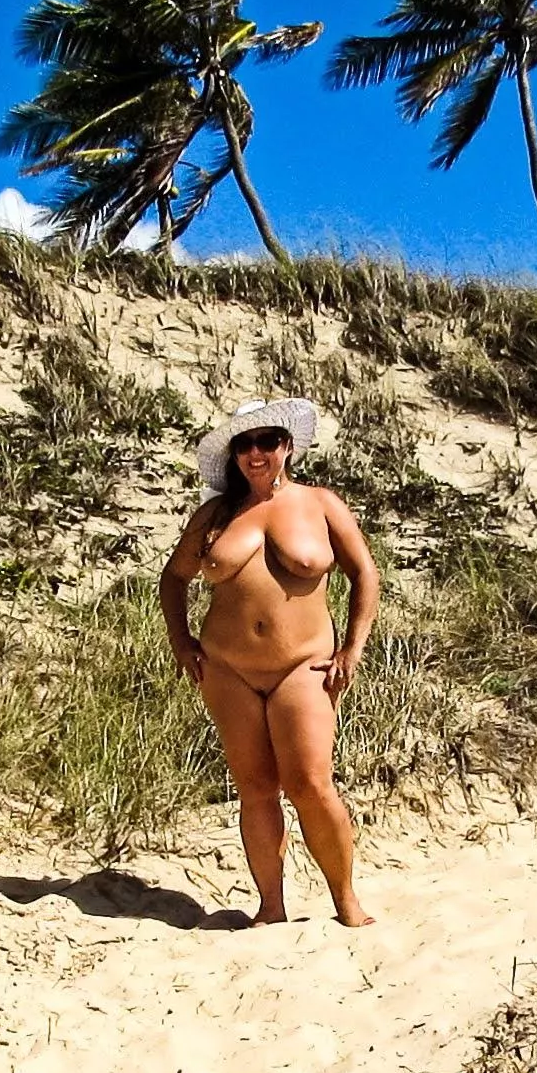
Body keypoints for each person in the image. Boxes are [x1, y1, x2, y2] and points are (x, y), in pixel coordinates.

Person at [159, 397, 380, 928]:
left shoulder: (320, 503)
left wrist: (352, 648)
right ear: (234, 455)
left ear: (287, 447)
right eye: (244, 445)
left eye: (267, 442)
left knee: (309, 783)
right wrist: (181, 641)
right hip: (227, 669)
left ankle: (346, 901)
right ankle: (271, 907)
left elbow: (364, 575)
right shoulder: (215, 515)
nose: (256, 453)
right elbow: (173, 578)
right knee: (255, 787)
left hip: (303, 666)